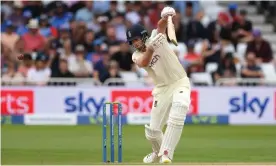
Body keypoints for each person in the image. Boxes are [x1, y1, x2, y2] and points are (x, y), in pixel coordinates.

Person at [126, 6, 191, 164]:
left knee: (180, 107)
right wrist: (149, 50)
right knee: (152, 132)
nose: (135, 43)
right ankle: (157, 151)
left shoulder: (156, 37)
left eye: (136, 39)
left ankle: (166, 154)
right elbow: (144, 62)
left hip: (179, 81)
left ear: (143, 35)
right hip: (162, 89)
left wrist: (166, 15)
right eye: (132, 41)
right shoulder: (136, 55)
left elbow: (161, 26)